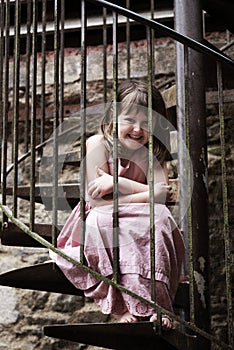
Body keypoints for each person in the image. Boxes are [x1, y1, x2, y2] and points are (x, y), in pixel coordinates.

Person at [50, 79, 184, 329]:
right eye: (130, 120)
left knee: (161, 217)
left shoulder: (153, 149)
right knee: (101, 221)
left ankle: (159, 306)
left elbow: (162, 194)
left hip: (143, 215)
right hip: (104, 215)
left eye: (147, 122)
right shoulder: (97, 144)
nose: (137, 129)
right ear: (114, 117)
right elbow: (98, 202)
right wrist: (145, 192)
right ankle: (121, 307)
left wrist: (117, 183)